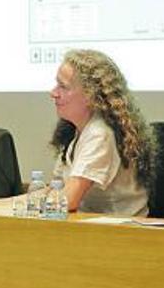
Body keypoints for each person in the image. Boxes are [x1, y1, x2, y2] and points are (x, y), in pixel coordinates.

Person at [47, 49, 157, 216]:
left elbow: (67, 200)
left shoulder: (100, 133)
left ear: (91, 96)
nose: (53, 93)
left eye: (63, 86)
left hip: (122, 234)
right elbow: (53, 191)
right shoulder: (74, 131)